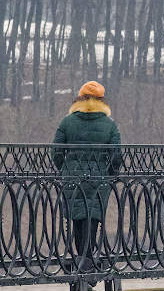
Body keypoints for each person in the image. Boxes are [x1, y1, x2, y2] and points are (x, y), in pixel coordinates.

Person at [51, 80, 121, 275]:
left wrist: (65, 169)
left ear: (80, 99)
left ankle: (82, 263)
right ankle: (87, 267)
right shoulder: (109, 125)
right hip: (98, 180)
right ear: (101, 100)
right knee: (92, 219)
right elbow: (116, 156)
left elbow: (56, 151)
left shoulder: (68, 121)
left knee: (77, 220)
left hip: (72, 179)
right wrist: (112, 174)